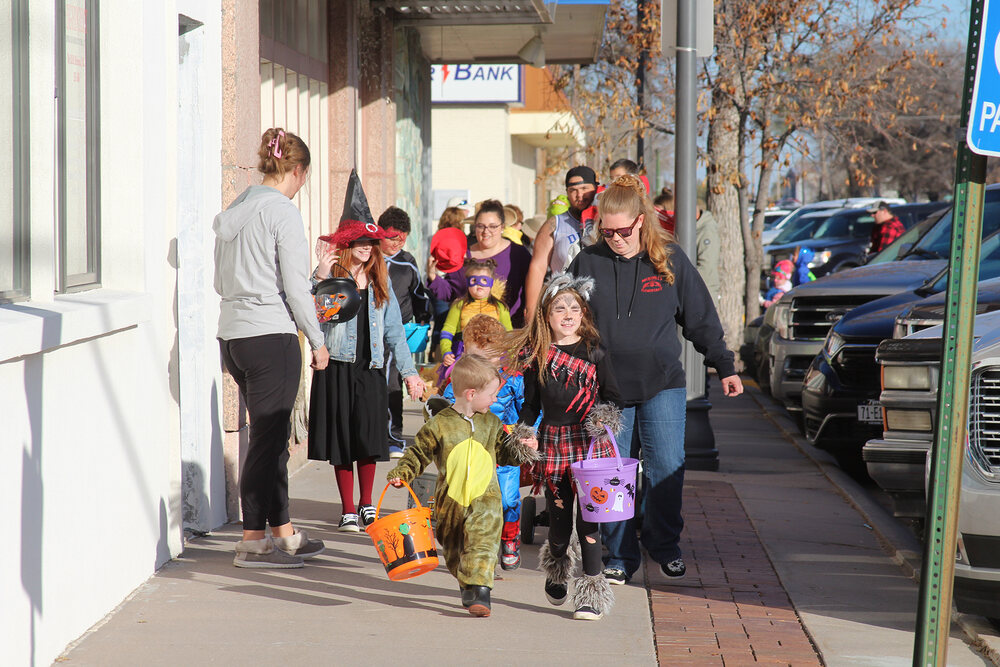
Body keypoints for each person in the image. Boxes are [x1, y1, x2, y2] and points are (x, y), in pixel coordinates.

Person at [567, 174, 743, 585]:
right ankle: (620, 555)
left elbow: (700, 319)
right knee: (614, 474)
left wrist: (726, 365)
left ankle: (665, 546)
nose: (614, 238)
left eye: (623, 231)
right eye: (606, 231)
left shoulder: (670, 260)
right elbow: (563, 317)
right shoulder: (586, 262)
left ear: (642, 221)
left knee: (666, 466)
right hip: (606, 389)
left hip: (662, 384)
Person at [213, 127, 330, 569]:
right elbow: (297, 288)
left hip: (235, 334)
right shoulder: (281, 212)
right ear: (296, 171)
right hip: (271, 334)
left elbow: (218, 281)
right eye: (304, 177)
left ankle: (283, 533)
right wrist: (317, 339)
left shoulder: (237, 207)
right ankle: (252, 541)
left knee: (271, 439)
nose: (302, 186)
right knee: (266, 443)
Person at [506, 273, 623, 621]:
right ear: (547, 315)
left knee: (589, 523)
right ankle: (557, 567)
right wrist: (526, 431)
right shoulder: (538, 355)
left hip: (590, 448)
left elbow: (614, 397)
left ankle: (590, 594)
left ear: (584, 314)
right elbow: (530, 405)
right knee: (559, 525)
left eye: (575, 308)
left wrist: (603, 419)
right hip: (554, 444)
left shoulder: (596, 353)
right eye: (560, 308)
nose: (568, 314)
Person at [387, 354, 539, 617]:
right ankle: (468, 585)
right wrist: (403, 472)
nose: (494, 400)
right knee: (455, 551)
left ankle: (481, 589)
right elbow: (418, 454)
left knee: (483, 539)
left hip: (486, 498)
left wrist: (522, 450)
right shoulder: (439, 425)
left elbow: (504, 453)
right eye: (492, 394)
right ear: (471, 394)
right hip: (450, 503)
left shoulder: (492, 423)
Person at [308, 213, 425, 533]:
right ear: (347, 245)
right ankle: (348, 510)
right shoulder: (330, 276)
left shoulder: (379, 281)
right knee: (342, 441)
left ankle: (367, 504)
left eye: (371, 242)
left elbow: (395, 332)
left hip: (371, 368)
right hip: (336, 367)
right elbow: (318, 316)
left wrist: (410, 373)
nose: (366, 247)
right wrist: (320, 275)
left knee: (368, 439)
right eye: (360, 241)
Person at [442, 315, 530, 570]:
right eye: (473, 357)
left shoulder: (512, 379)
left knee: (507, 499)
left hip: (504, 451)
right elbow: (448, 404)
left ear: (501, 353)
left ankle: (510, 537)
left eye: (488, 357)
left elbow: (529, 409)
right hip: (473, 451)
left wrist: (526, 433)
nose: (480, 364)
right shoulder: (461, 378)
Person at [378, 206, 432, 459]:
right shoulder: (369, 258)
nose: (397, 243)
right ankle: (370, 435)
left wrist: (423, 318)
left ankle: (392, 437)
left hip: (396, 335)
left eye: (402, 237)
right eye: (391, 237)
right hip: (368, 332)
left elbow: (419, 293)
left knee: (392, 385)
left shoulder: (406, 261)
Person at [426, 199, 532, 327]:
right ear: (474, 227)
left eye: (493, 226)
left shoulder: (518, 254)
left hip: (510, 335)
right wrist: (433, 276)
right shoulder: (463, 255)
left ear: (502, 227)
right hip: (470, 337)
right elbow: (450, 293)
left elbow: (532, 292)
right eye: (481, 226)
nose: (486, 231)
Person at [524, 166, 600, 320]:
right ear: (566, 192)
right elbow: (537, 267)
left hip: (597, 303)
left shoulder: (605, 221)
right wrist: (531, 310)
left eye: (585, 188)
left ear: (596, 188)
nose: (580, 195)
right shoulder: (555, 224)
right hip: (564, 306)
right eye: (573, 190)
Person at [439, 258, 513, 367]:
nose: (479, 285)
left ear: (491, 283)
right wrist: (446, 351)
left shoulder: (500, 307)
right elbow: (447, 331)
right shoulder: (459, 305)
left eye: (484, 280)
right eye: (474, 281)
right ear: (468, 283)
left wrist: (511, 357)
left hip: (492, 357)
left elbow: (509, 334)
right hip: (464, 355)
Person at [428, 207, 469, 358]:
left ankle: (436, 351)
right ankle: (440, 352)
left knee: (441, 321)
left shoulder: (438, 237)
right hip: (448, 281)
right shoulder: (459, 240)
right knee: (447, 321)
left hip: (440, 279)